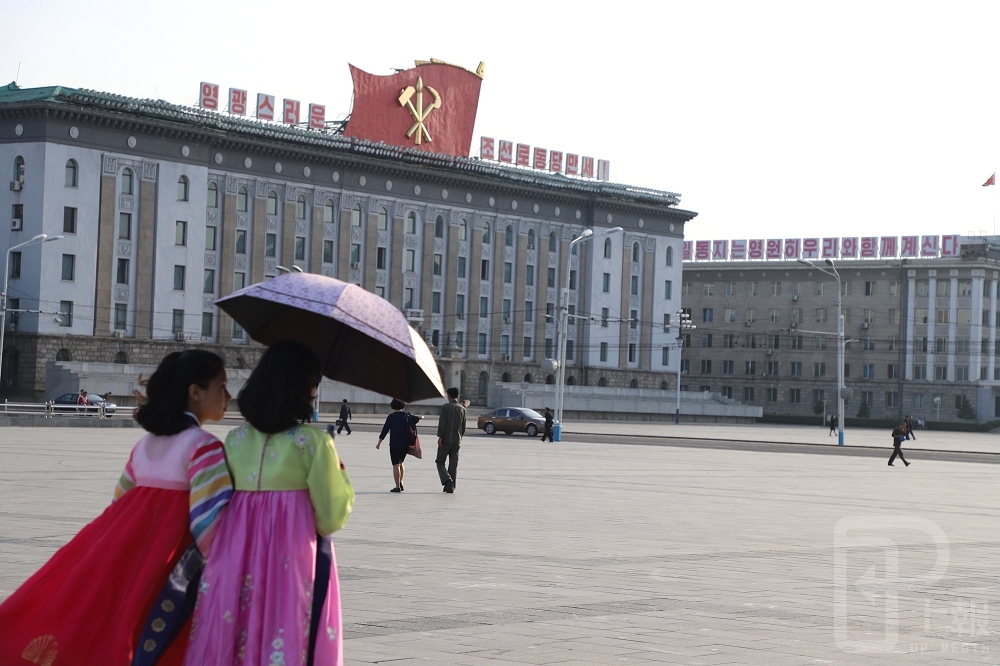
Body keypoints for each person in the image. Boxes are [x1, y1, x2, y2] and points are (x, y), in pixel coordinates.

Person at [0, 350, 233, 666]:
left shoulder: (145, 446)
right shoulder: (204, 447)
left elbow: (119, 503)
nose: (228, 395)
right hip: (171, 574)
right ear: (195, 392)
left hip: (124, 562)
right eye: (221, 386)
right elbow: (209, 529)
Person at [183, 340, 354, 666]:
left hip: (236, 557)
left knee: (235, 630)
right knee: (287, 629)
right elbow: (330, 517)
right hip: (290, 560)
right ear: (301, 389)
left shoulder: (235, 439)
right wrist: (340, 474)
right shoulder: (312, 443)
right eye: (313, 383)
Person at [377, 399, 412, 492]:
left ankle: (397, 487)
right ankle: (401, 482)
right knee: (401, 463)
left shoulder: (391, 417)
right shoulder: (407, 415)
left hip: (395, 444)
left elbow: (385, 430)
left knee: (395, 464)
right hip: (405, 443)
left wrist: (379, 442)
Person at [436, 388, 466, 493]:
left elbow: (442, 423)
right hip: (456, 440)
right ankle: (451, 487)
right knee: (453, 465)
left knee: (439, 461)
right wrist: (459, 438)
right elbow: (463, 427)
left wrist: (440, 437)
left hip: (446, 440)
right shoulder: (462, 409)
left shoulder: (446, 407)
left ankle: (447, 480)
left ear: (449, 395)